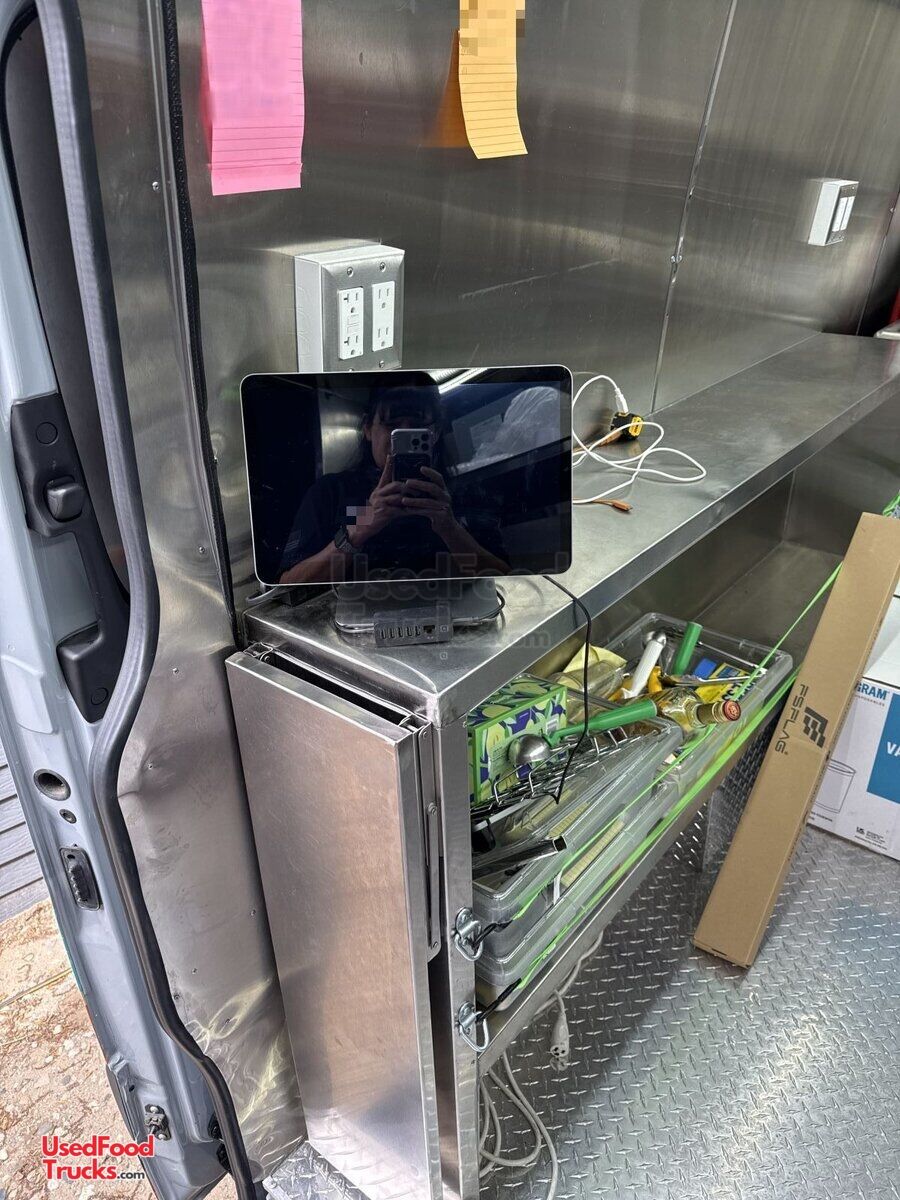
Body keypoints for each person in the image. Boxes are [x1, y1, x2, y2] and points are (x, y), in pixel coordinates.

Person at [277, 384, 509, 584]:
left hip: (454, 615)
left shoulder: (463, 493)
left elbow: (506, 581)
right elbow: (289, 584)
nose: (403, 435)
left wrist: (450, 528)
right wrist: (361, 525)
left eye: (417, 425)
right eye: (392, 425)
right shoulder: (331, 492)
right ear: (368, 429)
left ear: (435, 433)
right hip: (354, 619)